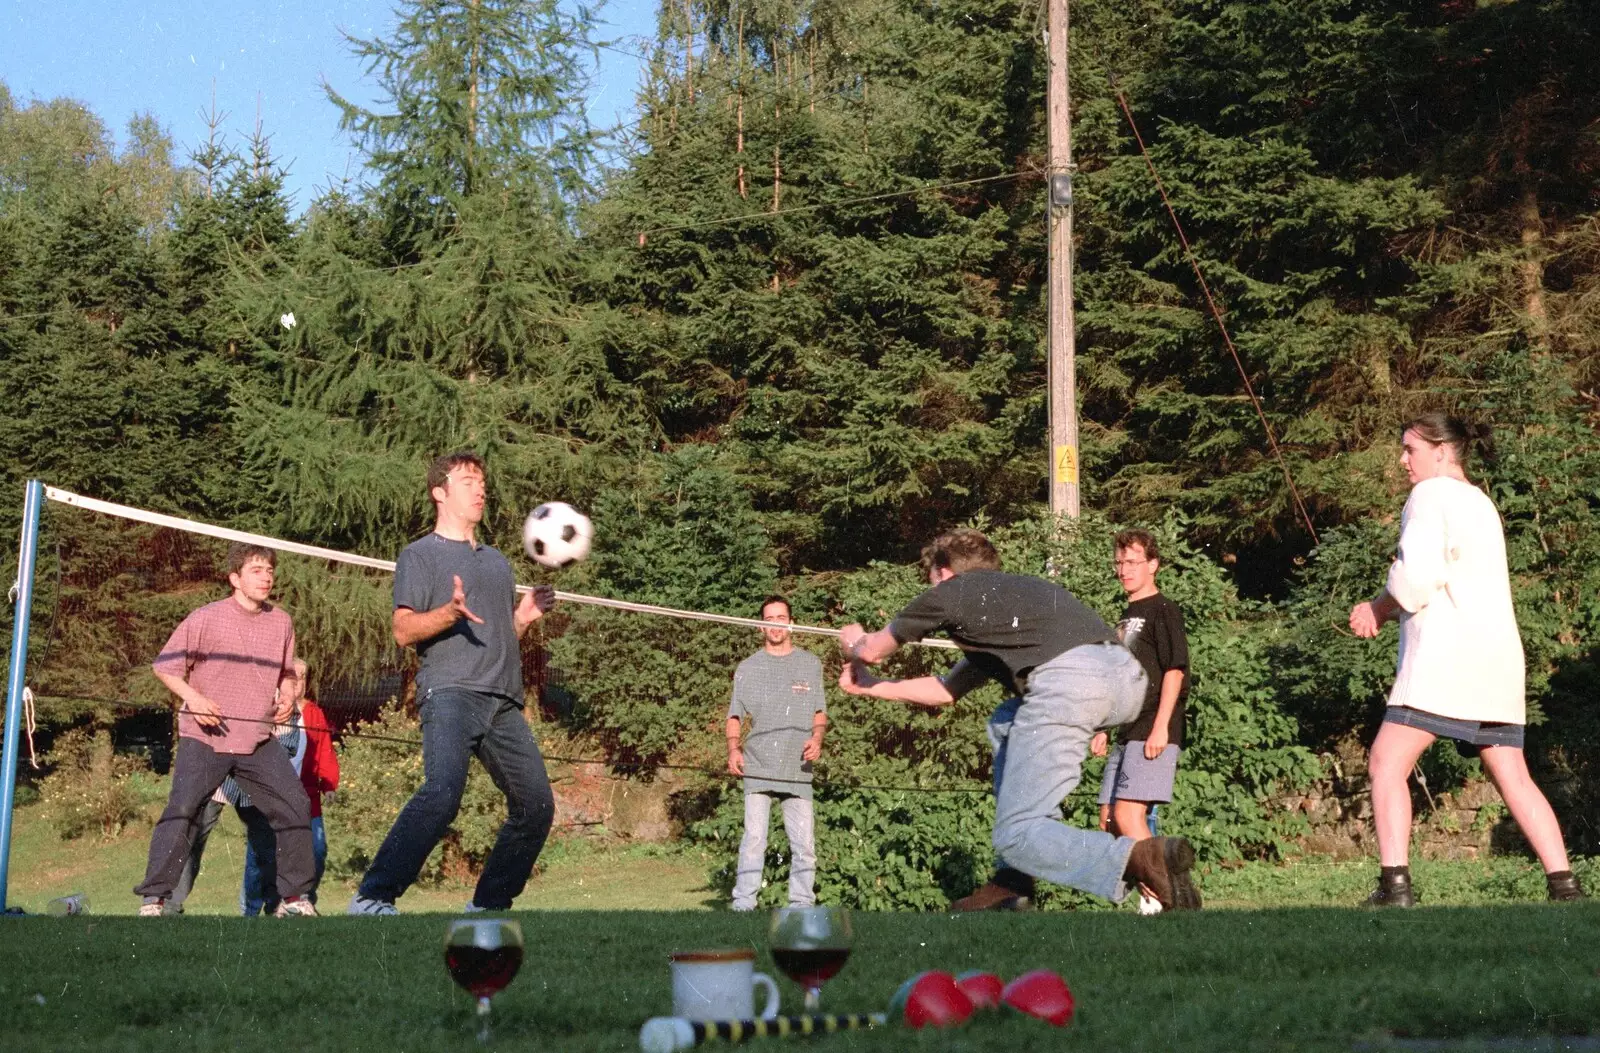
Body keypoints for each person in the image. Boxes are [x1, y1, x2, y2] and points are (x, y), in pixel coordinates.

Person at [837, 527, 1201, 912]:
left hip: (1070, 681)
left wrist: (856, 640)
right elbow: (947, 690)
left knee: (1017, 834)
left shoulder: (953, 589)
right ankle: (1012, 881)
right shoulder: (1021, 595)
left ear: (944, 573)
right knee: (1006, 720)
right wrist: (875, 687)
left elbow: (873, 649)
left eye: (932, 582)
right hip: (1124, 681)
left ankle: (1137, 858)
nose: (932, 590)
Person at [1349, 413, 1584, 906]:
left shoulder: (1429, 495)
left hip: (1444, 661)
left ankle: (1395, 886)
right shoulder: (1481, 502)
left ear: (1441, 451)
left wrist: (1376, 607)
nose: (1402, 460)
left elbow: (1417, 580)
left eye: (1410, 449)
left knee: (1386, 762)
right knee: (1515, 776)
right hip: (1496, 663)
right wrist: (1383, 608)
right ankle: (1565, 887)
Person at [348, 452, 557, 915]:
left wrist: (523, 617)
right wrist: (448, 612)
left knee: (537, 806)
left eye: (482, 482)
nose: (480, 489)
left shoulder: (499, 564)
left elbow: (501, 635)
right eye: (467, 481)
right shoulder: (420, 555)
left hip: (501, 700)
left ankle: (488, 906)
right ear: (440, 492)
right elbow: (403, 631)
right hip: (449, 693)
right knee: (442, 795)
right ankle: (373, 897)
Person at [135, 543, 318, 917]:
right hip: (205, 736)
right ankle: (154, 899)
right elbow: (165, 667)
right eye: (255, 570)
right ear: (235, 578)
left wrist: (285, 693)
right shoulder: (206, 618)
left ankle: (296, 899)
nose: (266, 577)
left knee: (295, 803)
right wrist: (195, 699)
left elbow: (286, 670)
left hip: (256, 740)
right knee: (184, 808)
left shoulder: (281, 622)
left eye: (269, 570)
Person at [1090, 529, 1190, 913]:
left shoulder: (1163, 610)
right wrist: (1103, 725)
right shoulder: (1127, 616)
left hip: (1153, 726)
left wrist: (1162, 725)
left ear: (1153, 565)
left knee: (1130, 814)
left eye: (1132, 562)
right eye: (1119, 562)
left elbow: (1175, 672)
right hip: (1127, 729)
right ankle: (1159, 893)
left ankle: (1168, 898)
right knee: (1110, 820)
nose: (1123, 570)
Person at [726, 595, 827, 911]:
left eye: (781, 618)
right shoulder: (748, 668)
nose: (775, 625)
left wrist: (818, 738)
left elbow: (820, 714)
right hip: (757, 765)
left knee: (805, 846)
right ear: (760, 626)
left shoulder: (810, 665)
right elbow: (734, 717)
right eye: (769, 619)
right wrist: (733, 749)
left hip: (797, 768)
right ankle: (744, 904)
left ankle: (801, 906)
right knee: (754, 840)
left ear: (791, 622)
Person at [238, 659, 340, 915]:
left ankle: (303, 899)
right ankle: (251, 909)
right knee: (261, 855)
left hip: (305, 794)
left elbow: (323, 750)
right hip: (267, 795)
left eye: (304, 676)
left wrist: (329, 783)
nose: (300, 682)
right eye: (295, 676)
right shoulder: (268, 708)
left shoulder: (313, 713)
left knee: (316, 847)